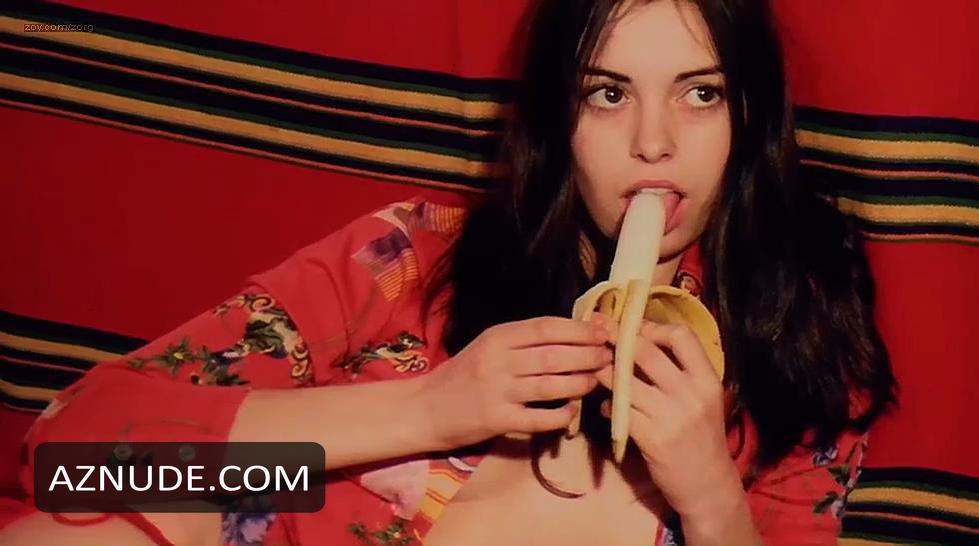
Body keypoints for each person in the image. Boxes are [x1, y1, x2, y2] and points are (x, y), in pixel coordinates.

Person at [0, 0, 895, 544]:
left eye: (701, 94)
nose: (652, 143)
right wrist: (427, 410)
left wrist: (709, 503)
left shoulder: (802, 346)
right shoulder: (411, 262)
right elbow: (70, 466)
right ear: (556, 120)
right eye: (607, 93)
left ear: (752, 118)